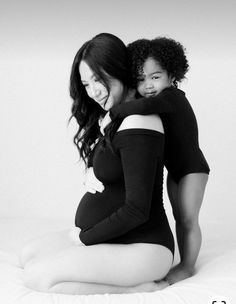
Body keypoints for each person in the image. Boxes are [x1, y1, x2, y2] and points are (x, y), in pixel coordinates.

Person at [19, 33, 174, 295]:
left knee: (38, 278)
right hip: (111, 239)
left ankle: (140, 288)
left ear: (120, 71)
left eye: (99, 79)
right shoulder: (116, 118)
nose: (94, 92)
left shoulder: (140, 122)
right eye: (86, 84)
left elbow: (137, 210)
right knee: (27, 256)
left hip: (143, 247)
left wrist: (83, 239)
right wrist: (92, 171)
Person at [97, 37, 210, 285]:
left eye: (155, 77)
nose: (148, 85)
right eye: (140, 79)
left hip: (193, 169)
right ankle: (184, 258)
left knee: (188, 218)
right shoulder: (157, 101)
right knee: (178, 215)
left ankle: (188, 267)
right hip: (176, 170)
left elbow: (146, 104)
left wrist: (112, 113)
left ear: (172, 75)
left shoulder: (172, 97)